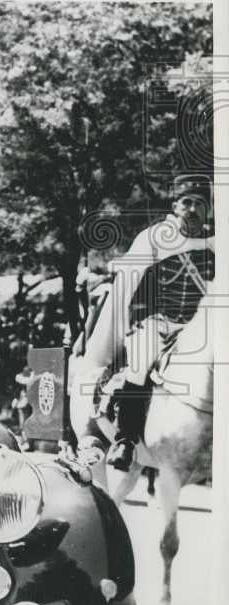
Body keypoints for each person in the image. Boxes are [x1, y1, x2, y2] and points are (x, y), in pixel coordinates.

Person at [107, 174, 215, 471]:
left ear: (208, 210)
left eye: (200, 204)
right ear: (176, 206)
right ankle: (125, 439)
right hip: (158, 322)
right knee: (141, 360)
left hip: (198, 328)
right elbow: (133, 280)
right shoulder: (155, 239)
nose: (193, 209)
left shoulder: (214, 244)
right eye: (187, 202)